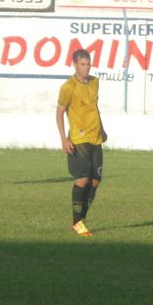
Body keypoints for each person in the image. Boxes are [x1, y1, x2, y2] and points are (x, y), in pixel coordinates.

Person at [56, 49, 108, 237]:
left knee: (95, 181)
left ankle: (80, 220)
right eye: (83, 64)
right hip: (79, 139)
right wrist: (64, 139)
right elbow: (59, 113)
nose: (86, 68)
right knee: (83, 179)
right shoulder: (68, 87)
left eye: (88, 64)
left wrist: (102, 129)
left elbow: (95, 107)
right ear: (75, 65)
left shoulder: (95, 82)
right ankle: (77, 223)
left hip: (96, 137)